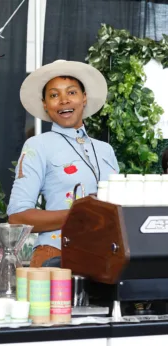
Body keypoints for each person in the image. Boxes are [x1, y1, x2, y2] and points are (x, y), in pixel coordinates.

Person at [7, 60, 120, 268]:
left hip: (106, 259)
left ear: (84, 98)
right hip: (55, 255)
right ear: (45, 104)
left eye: (71, 92)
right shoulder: (37, 145)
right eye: (53, 95)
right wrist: (80, 215)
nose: (63, 101)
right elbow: (17, 218)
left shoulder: (106, 150)